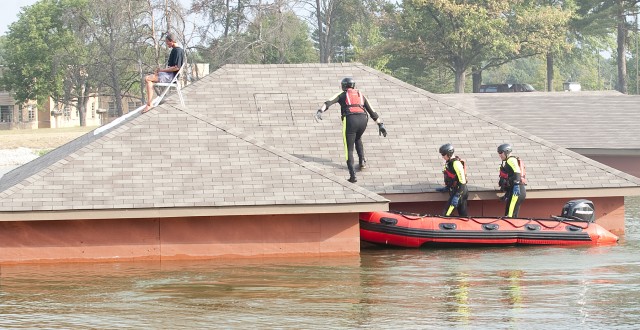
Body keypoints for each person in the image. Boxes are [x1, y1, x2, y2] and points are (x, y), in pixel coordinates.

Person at [315, 77, 387, 183]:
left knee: (348, 148)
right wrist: (380, 125)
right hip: (363, 120)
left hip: (350, 120)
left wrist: (320, 111)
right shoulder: (360, 95)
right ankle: (362, 162)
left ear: (343, 86)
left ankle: (352, 176)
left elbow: (328, 102)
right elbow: (372, 111)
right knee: (358, 138)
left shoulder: (342, 94)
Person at [143, 32, 185, 113]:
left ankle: (149, 104)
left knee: (148, 79)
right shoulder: (174, 50)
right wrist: (160, 71)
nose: (166, 44)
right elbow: (171, 67)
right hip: (168, 75)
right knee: (148, 78)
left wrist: (162, 70)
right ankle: (149, 103)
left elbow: (176, 67)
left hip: (171, 77)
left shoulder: (178, 51)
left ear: (172, 41)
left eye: (167, 42)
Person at [436, 143, 468, 217]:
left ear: (448, 154)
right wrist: (446, 187)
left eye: (443, 155)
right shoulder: (449, 163)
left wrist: (457, 195)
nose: (442, 157)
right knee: (463, 215)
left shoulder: (456, 164)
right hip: (455, 190)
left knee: (446, 214)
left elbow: (462, 182)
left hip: (460, 191)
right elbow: (450, 177)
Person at [497, 143, 526, 217]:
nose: (499, 155)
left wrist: (516, 185)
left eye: (501, 152)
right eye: (499, 153)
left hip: (517, 190)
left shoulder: (511, 160)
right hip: (515, 190)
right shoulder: (509, 160)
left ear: (506, 152)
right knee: (510, 214)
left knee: (510, 216)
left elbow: (517, 172)